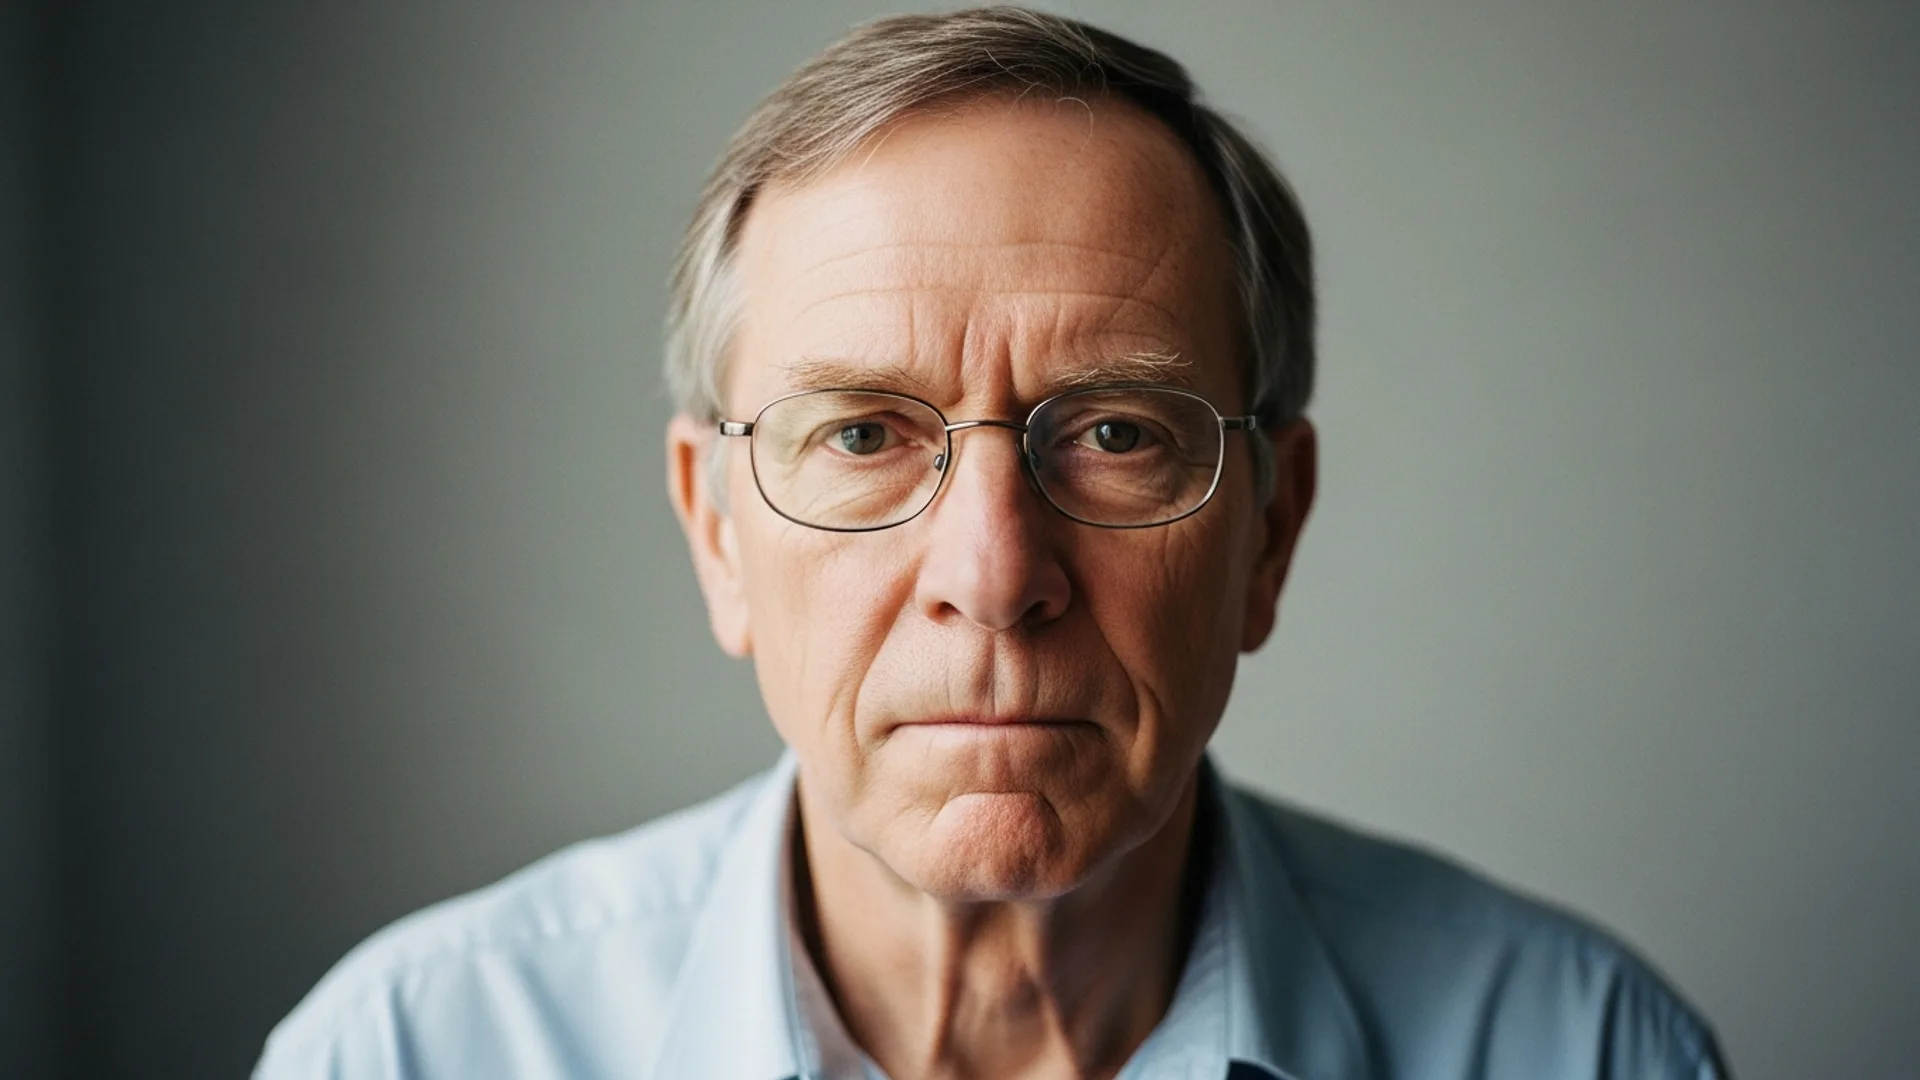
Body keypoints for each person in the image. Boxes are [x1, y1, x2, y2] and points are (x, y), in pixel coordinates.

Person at [255, 8, 1730, 1079]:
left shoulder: (1580, 1050)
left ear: (1270, 532)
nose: (994, 574)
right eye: (862, 434)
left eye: (1115, 434)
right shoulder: (406, 1053)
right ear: (715, 530)